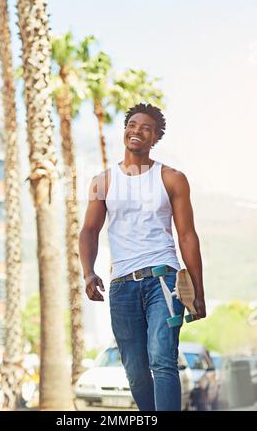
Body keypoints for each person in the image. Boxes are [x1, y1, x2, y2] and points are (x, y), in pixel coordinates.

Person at [79, 103, 206, 411]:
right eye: (132, 124)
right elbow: (89, 231)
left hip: (163, 279)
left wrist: (198, 291)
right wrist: (88, 272)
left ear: (155, 138)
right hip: (122, 286)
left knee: (162, 360)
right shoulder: (103, 181)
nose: (136, 130)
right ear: (125, 130)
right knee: (135, 373)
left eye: (145, 128)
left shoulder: (172, 178)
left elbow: (187, 235)